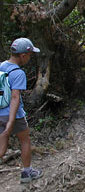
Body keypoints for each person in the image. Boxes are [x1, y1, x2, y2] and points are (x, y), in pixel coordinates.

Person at [0, 38, 43, 183]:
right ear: (23, 55)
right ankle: (27, 172)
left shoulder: (1, 66)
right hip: (14, 115)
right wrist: (11, 121)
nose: (30, 58)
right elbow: (15, 97)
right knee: (25, 141)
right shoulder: (18, 73)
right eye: (30, 55)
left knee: (2, 144)